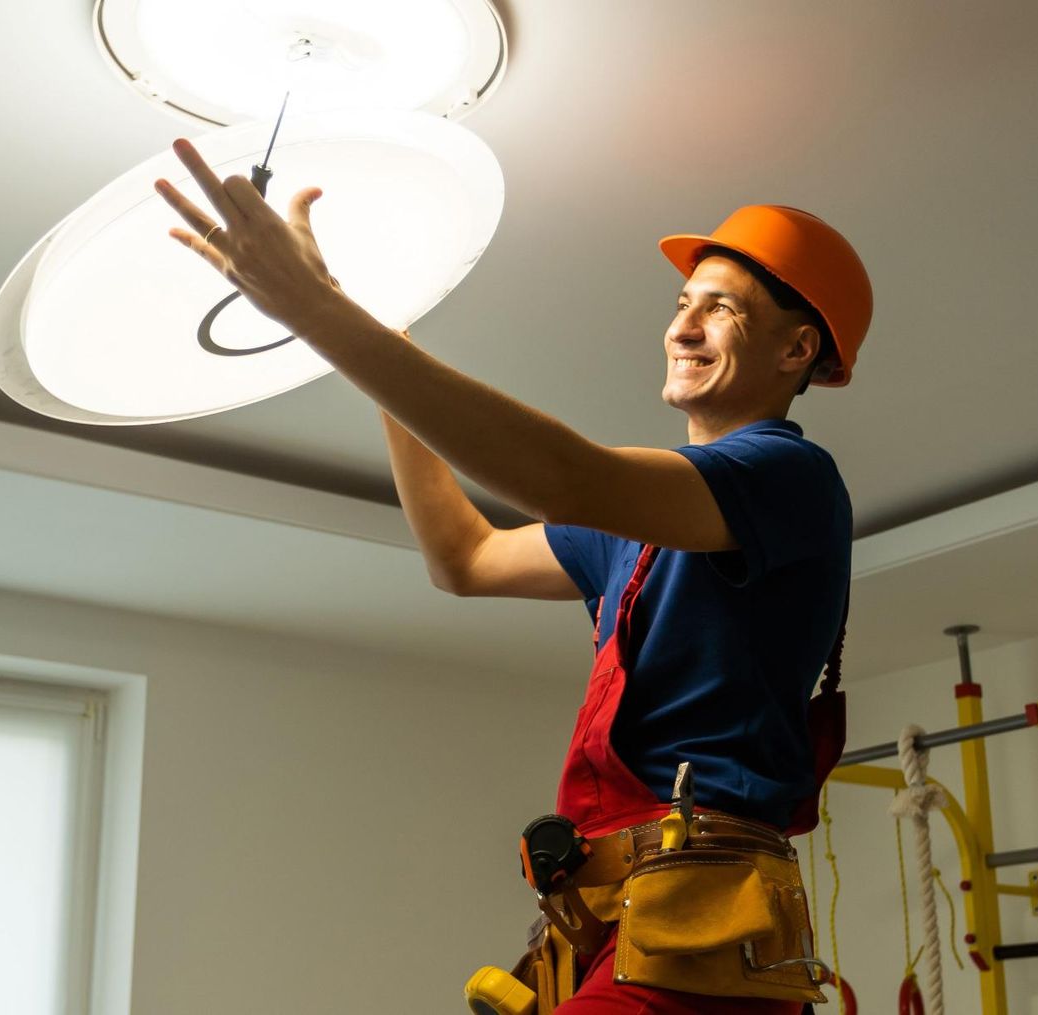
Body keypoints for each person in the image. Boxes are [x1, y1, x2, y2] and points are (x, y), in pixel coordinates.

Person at [155, 140, 870, 1015]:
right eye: (683, 303)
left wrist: (316, 312)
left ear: (799, 349)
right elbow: (463, 557)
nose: (680, 327)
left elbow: (565, 476)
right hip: (617, 915)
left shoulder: (790, 481)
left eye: (720, 310)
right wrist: (365, 331)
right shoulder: (634, 530)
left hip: (701, 918)